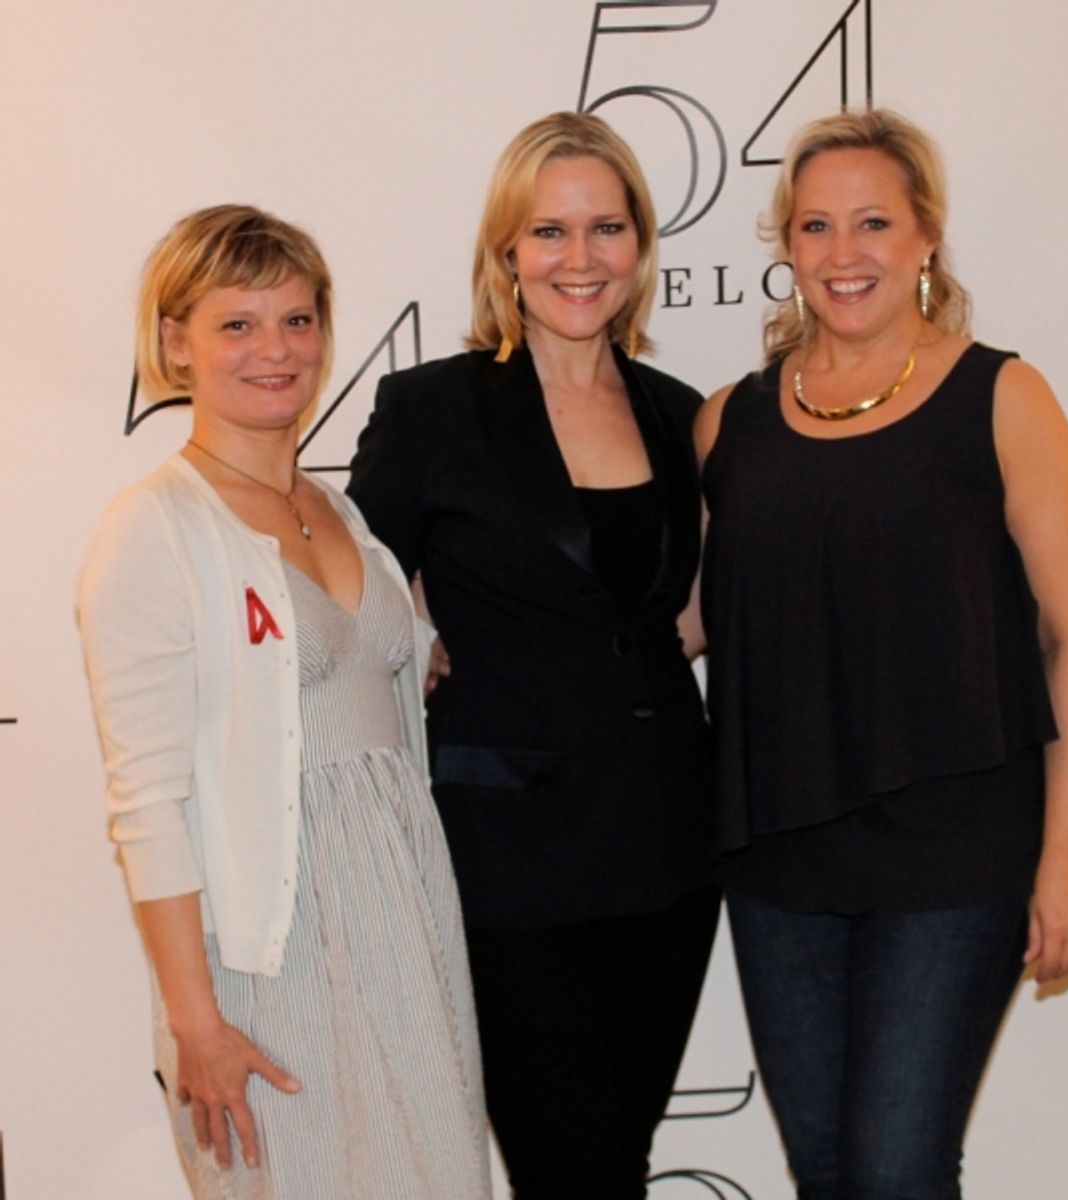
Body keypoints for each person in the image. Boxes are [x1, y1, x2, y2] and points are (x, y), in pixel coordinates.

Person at [695, 109, 1068, 1199]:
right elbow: (690, 620)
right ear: (786, 244)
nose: (844, 255)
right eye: (817, 226)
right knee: (828, 1170)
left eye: (873, 222)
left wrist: (1066, 858)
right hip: (780, 855)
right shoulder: (726, 424)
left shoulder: (1003, 398)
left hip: (956, 850)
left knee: (896, 1168)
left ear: (926, 236)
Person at [77, 205, 490, 1200]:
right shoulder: (155, 531)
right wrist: (196, 1018)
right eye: (237, 324)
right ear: (176, 342)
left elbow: (377, 677)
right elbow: (146, 803)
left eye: (297, 321)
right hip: (272, 954)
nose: (276, 350)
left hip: (406, 929)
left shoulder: (341, 510)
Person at [347, 112, 720, 1199]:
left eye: (606, 227)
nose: (579, 258)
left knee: (622, 1162)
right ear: (506, 251)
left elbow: (681, 617)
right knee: (574, 1170)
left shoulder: (679, 414)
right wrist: (412, 637)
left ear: (641, 246)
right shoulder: (432, 410)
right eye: (548, 231)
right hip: (506, 855)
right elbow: (352, 591)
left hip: (665, 843)